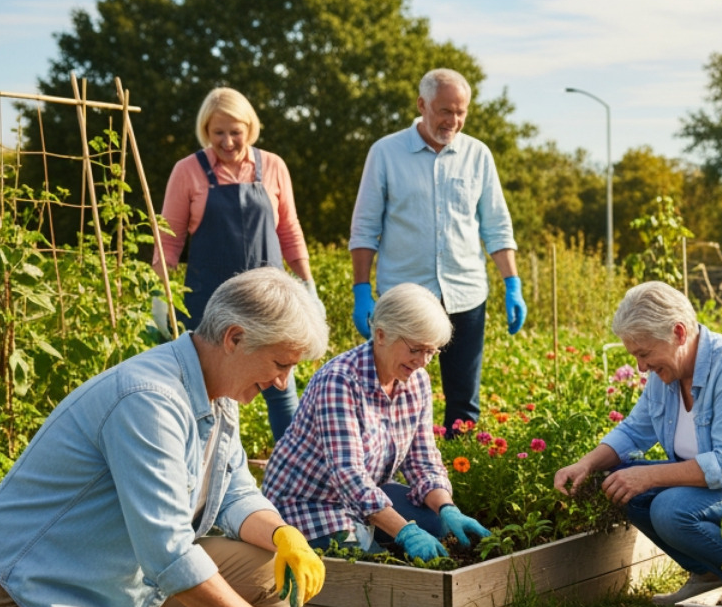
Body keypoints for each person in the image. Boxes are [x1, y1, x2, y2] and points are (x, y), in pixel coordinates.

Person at [0, 269, 329, 607]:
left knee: (268, 571)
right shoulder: (149, 400)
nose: (283, 382)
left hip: (105, 581)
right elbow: (169, 553)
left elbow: (234, 491)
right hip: (30, 595)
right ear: (235, 338)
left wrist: (282, 533)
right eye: (280, 364)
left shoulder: (215, 396)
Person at [553, 282, 722, 607]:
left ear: (679, 333)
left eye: (644, 353)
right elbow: (633, 432)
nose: (641, 367)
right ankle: (708, 576)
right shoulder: (666, 375)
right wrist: (585, 464)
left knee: (669, 509)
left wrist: (649, 476)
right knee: (620, 481)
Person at [349, 68, 526, 431]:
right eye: (445, 110)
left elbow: (496, 226)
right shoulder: (386, 153)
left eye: (461, 112)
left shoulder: (478, 155)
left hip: (466, 294)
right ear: (422, 104)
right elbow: (365, 228)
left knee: (464, 400)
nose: (454, 120)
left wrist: (512, 284)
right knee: (396, 392)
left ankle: (459, 481)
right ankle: (393, 475)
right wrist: (361, 289)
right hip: (405, 296)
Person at [264, 283, 489, 564]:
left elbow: (423, 460)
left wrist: (447, 507)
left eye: (432, 352)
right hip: (309, 504)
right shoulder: (340, 381)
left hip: (365, 495)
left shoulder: (415, 380)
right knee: (374, 564)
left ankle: (378, 529)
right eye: (416, 349)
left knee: (437, 524)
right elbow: (349, 476)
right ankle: (363, 541)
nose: (423, 361)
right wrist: (405, 531)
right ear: (381, 334)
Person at [155, 87, 316, 440]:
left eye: (235, 132)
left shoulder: (273, 166)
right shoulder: (188, 171)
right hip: (208, 303)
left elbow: (289, 229)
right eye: (218, 133)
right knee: (205, 392)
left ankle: (289, 475)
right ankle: (200, 472)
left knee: (280, 386)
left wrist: (307, 283)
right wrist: (158, 296)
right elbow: (169, 239)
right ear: (205, 131)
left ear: (249, 127)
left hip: (268, 302)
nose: (227, 141)